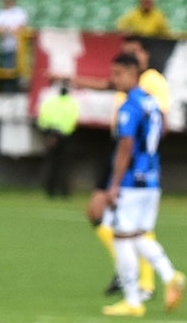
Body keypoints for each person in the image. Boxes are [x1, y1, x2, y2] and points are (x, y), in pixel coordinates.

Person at [61, 35, 169, 300]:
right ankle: (140, 273)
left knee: (130, 228)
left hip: (131, 157)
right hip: (125, 152)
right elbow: (106, 84)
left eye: (133, 52)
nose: (127, 57)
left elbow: (160, 121)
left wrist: (140, 155)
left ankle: (146, 282)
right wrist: (71, 81)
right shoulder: (128, 87)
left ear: (143, 56)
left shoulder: (151, 83)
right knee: (100, 214)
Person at [101, 52, 186, 316]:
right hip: (151, 179)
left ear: (132, 73)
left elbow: (126, 146)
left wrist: (114, 184)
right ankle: (170, 275)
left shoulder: (130, 106)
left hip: (131, 182)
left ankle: (132, 301)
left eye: (118, 74)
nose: (115, 80)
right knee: (139, 235)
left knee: (121, 238)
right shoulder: (152, 103)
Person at [37, 81, 80, 198]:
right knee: (60, 165)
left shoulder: (51, 102)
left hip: (57, 136)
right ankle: (57, 191)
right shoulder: (70, 103)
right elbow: (72, 120)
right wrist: (53, 134)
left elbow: (43, 118)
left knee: (58, 165)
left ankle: (57, 191)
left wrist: (50, 133)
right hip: (62, 136)